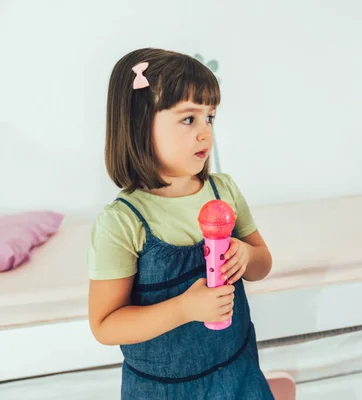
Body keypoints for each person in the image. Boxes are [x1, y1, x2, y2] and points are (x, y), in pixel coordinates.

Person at [87, 48, 274, 399]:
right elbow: (105, 325)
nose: (205, 132)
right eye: (189, 119)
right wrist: (185, 308)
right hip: (164, 390)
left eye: (210, 118)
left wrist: (247, 256)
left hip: (239, 371)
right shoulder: (122, 222)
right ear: (139, 124)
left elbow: (263, 263)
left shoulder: (224, 190)